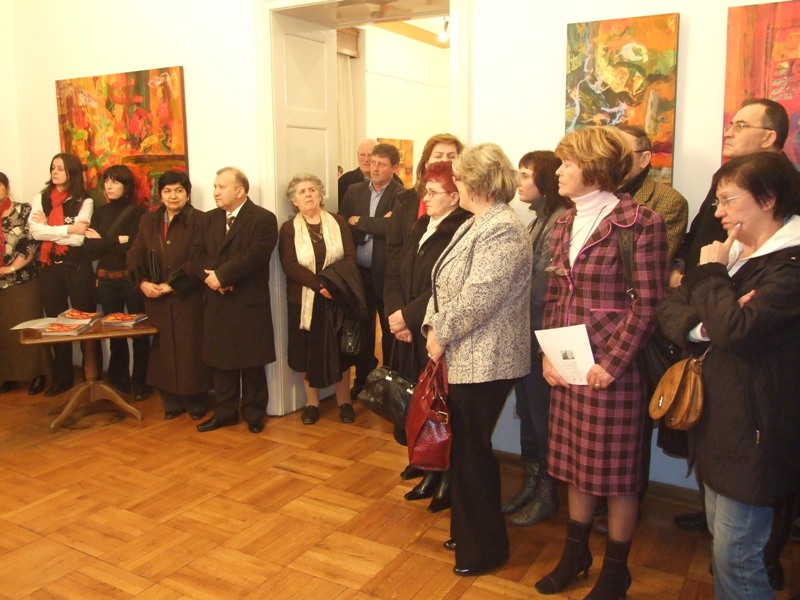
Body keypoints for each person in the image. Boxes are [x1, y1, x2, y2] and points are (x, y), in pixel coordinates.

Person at [658, 151, 800, 599]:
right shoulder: (734, 253)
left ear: (769, 199)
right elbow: (671, 307)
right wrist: (705, 327)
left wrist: (713, 277)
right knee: (723, 548)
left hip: (755, 434)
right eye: (717, 201)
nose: (718, 212)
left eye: (729, 199)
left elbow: (736, 330)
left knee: (738, 558)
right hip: (718, 422)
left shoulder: (788, 266)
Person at [536, 126, 667, 598]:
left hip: (615, 371)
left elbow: (648, 304)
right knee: (576, 464)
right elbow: (556, 294)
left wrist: (612, 363)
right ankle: (575, 554)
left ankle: (615, 571)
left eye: (568, 163)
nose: (559, 171)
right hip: (571, 365)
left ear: (594, 168)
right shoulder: (563, 223)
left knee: (617, 475)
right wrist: (549, 354)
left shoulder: (641, 223)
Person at [422, 143, 531, 576]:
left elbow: (478, 298)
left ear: (477, 183)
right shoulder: (478, 221)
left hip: (487, 358)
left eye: (460, 177)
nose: (455, 184)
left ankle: (484, 548)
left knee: (472, 453)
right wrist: (433, 328)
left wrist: (440, 333)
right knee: (466, 451)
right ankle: (470, 533)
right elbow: (442, 284)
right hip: (466, 352)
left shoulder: (502, 227)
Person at [383, 160, 469, 512]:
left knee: (443, 407)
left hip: (436, 330)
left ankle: (446, 476)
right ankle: (428, 467)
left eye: (433, 192)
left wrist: (408, 316)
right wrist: (396, 315)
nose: (426, 198)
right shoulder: (421, 224)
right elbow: (395, 270)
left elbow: (444, 289)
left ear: (454, 196)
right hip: (410, 328)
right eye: (425, 191)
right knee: (422, 403)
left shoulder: (461, 228)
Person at [501, 151, 571, 527]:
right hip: (528, 333)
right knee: (528, 413)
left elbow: (544, 286)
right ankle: (531, 483)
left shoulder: (559, 220)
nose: (520, 181)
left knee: (543, 418)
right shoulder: (538, 219)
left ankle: (546, 492)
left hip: (543, 335)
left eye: (527, 174)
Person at [192, 167, 278, 435]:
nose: (215, 192)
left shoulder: (263, 218)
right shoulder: (208, 219)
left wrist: (224, 276)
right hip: (217, 300)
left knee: (251, 361)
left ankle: (254, 413)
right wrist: (212, 279)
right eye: (215, 186)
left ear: (240, 191)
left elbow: (256, 255)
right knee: (221, 360)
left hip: (248, 300)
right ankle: (225, 412)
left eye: (221, 187)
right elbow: (195, 255)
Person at [127, 170, 211, 420]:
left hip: (189, 296)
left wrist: (172, 285)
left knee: (190, 349)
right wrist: (142, 283)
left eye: (179, 191)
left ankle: (196, 403)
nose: (173, 196)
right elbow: (135, 255)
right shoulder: (149, 220)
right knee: (163, 351)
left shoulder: (201, 220)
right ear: (160, 195)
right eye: (167, 191)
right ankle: (171, 402)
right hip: (157, 299)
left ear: (188, 194)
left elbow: (200, 260)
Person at [278, 173, 358, 425]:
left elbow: (350, 257)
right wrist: (319, 285)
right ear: (294, 201)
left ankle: (344, 402)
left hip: (337, 297)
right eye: (302, 192)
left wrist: (333, 285)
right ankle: (312, 403)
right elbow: (290, 265)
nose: (308, 194)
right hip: (303, 300)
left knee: (340, 351)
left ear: (321, 194)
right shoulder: (289, 229)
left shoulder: (338, 221)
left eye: (312, 189)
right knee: (306, 352)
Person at [339, 143, 405, 399]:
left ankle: (388, 385)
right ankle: (363, 380)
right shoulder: (354, 191)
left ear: (394, 168)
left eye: (381, 164)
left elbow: (394, 229)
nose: (374, 168)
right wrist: (377, 224)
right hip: (359, 274)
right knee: (363, 329)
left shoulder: (402, 196)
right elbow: (343, 225)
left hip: (387, 275)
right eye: (373, 162)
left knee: (390, 333)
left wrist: (361, 221)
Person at [28, 153, 95, 398]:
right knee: (56, 323)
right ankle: (63, 378)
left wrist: (49, 228)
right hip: (49, 268)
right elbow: (35, 233)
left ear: (72, 172)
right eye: (52, 168)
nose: (54, 172)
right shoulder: (41, 198)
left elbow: (78, 240)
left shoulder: (85, 200)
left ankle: (92, 375)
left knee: (85, 321)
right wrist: (68, 228)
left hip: (76, 268)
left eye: (60, 168)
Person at [84, 165, 150, 400]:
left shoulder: (138, 212)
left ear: (126, 186)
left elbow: (133, 247)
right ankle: (119, 381)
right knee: (114, 333)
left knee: (139, 332)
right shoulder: (100, 212)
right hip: (106, 279)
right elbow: (90, 248)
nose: (109, 186)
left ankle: (141, 382)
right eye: (107, 181)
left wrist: (104, 240)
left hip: (131, 279)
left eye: (115, 182)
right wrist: (116, 241)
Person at [0, 172, 48, 396]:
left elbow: (31, 244)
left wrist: (10, 268)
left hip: (23, 279)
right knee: (5, 333)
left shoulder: (24, 210)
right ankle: (9, 375)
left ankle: (38, 374)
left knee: (28, 327)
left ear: (7, 187)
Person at [617, 125, 688, 260]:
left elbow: (652, 261)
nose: (611, 158)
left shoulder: (669, 202)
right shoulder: (592, 193)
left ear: (644, 159)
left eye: (621, 152)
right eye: (608, 151)